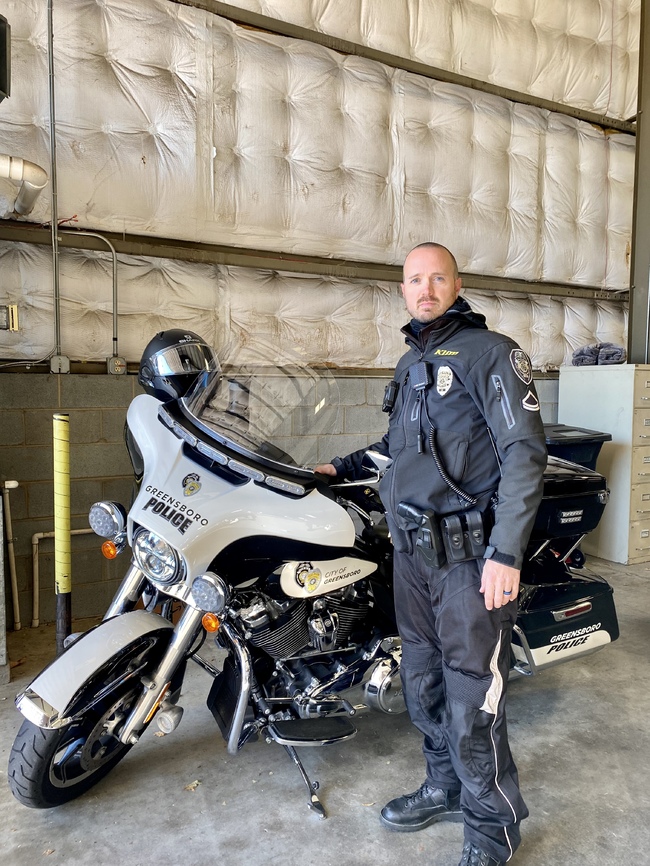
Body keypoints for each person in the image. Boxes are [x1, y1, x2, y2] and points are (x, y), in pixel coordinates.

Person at [315, 243, 547, 866]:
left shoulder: (491, 353)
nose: (425, 288)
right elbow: (398, 447)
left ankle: (491, 830)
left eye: (437, 278)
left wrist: (506, 554)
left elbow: (524, 453)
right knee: (422, 681)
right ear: (403, 289)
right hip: (413, 555)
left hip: (471, 560)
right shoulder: (408, 361)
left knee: (472, 695)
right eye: (415, 279)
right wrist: (336, 468)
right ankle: (444, 787)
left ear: (456, 284)